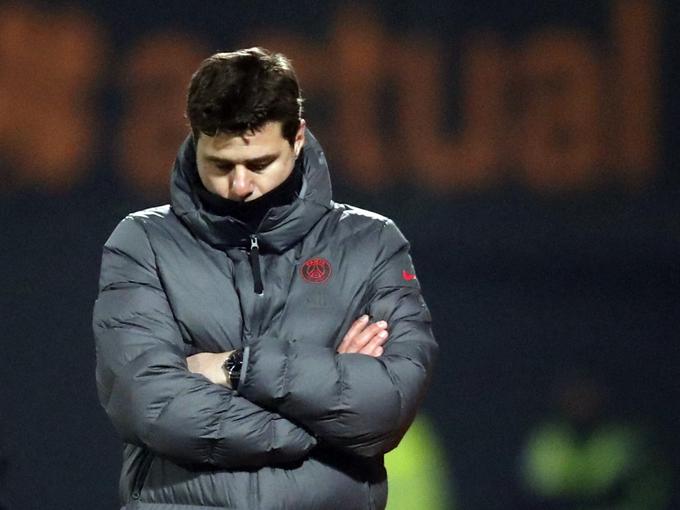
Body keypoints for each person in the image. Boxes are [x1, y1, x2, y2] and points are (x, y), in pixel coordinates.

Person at [93, 47, 437, 510]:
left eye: (258, 164)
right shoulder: (141, 244)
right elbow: (151, 405)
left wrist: (236, 367)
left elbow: (386, 405)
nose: (238, 185)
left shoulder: (371, 243)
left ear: (298, 138)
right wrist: (320, 416)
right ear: (195, 140)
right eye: (219, 164)